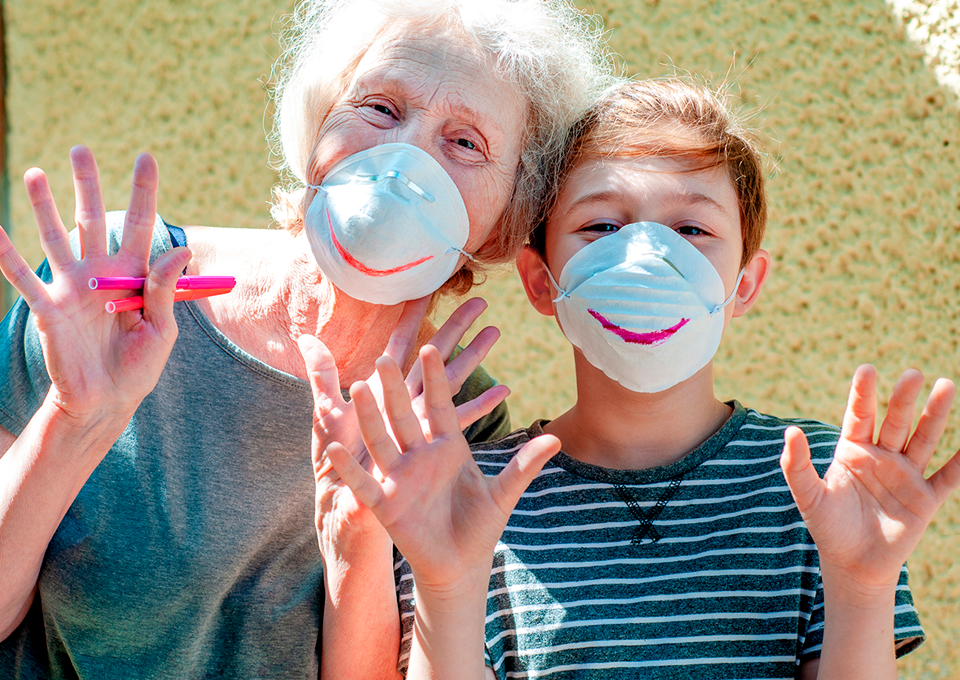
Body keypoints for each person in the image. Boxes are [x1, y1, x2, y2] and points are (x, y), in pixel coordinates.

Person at [0, 0, 614, 677]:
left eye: (464, 142)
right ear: (318, 124)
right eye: (380, 107)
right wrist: (75, 418)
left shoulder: (447, 413)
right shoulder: (125, 288)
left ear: (505, 221)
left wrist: (359, 538)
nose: (403, 156)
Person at [325, 78, 960, 679]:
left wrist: (864, 585)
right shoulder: (462, 492)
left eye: (691, 230)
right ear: (542, 280)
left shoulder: (825, 481)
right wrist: (447, 584)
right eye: (602, 226)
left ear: (744, 285)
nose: (645, 255)